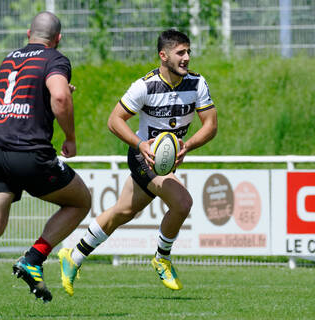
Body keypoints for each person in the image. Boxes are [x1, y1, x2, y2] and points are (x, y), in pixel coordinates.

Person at [58, 28, 217, 296]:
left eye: (188, 51)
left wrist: (187, 145)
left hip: (165, 161)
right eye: (180, 52)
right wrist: (141, 144)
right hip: (143, 157)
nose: (187, 57)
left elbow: (211, 125)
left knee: (123, 212)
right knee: (183, 202)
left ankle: (73, 256)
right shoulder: (144, 86)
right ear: (163, 56)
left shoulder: (197, 84)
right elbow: (114, 120)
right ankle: (162, 258)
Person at [0, 11, 91, 303]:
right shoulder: (54, 59)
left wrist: (53, 92)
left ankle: (33, 261)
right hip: (29, 153)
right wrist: (70, 138)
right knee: (80, 201)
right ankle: (33, 259)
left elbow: (22, 95)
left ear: (28, 34)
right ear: (58, 39)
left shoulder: (9, 59)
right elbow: (59, 97)